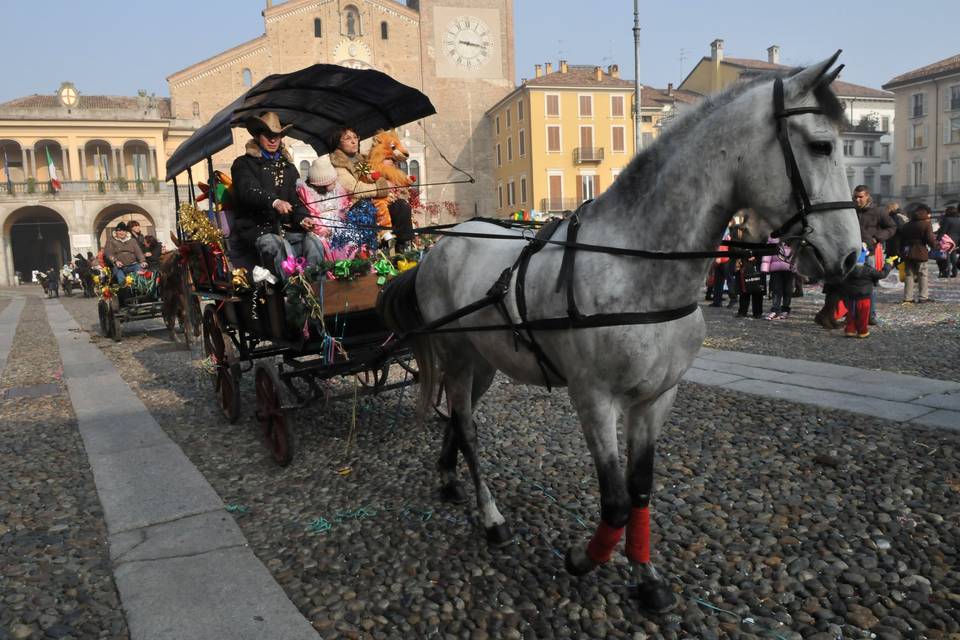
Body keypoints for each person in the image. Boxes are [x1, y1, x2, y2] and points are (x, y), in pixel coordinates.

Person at [231, 111, 322, 276]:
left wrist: (303, 218)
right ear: (258, 136)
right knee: (280, 246)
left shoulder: (288, 167)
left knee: (314, 242)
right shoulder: (243, 164)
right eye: (268, 135)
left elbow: (296, 199)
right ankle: (294, 293)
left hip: (288, 230)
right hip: (258, 230)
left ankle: (316, 289)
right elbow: (249, 191)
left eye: (277, 136)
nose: (273, 140)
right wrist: (275, 202)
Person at [296, 156, 352, 260]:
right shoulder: (309, 192)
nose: (335, 183)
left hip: (339, 223)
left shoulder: (337, 188)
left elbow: (344, 204)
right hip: (321, 226)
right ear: (323, 184)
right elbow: (313, 213)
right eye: (332, 182)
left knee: (351, 238)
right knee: (322, 242)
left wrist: (347, 210)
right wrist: (322, 230)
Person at [839, 245, 888, 338]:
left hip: (852, 295)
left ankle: (850, 330)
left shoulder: (849, 270)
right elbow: (882, 274)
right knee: (863, 314)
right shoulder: (868, 270)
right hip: (864, 296)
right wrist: (888, 265)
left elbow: (843, 280)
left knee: (851, 313)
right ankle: (862, 331)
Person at [900, 204, 938, 304]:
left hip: (908, 251)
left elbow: (902, 239)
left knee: (909, 275)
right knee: (923, 274)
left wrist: (901, 252)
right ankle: (923, 297)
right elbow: (929, 238)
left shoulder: (907, 225)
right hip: (920, 251)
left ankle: (908, 297)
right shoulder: (926, 224)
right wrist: (935, 245)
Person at [761, 238, 794, 320]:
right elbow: (767, 253)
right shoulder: (772, 238)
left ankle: (785, 309)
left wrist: (797, 267)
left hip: (790, 268)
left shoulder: (793, 236)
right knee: (776, 290)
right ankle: (775, 310)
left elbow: (798, 253)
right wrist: (765, 268)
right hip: (775, 269)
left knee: (788, 290)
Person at [935, 206, 960, 278]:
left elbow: (943, 231)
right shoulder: (959, 219)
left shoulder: (947, 220)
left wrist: (938, 239)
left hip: (947, 241)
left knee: (947, 256)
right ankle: (955, 272)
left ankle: (947, 272)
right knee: (953, 255)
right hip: (956, 241)